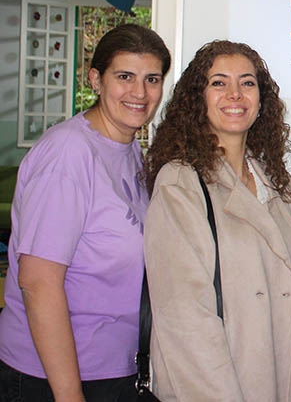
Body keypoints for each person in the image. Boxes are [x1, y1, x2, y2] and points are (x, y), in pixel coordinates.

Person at [0, 24, 170, 401]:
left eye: (152, 79)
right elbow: (38, 282)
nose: (140, 92)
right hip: (53, 378)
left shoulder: (130, 150)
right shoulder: (68, 153)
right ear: (96, 80)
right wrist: (70, 395)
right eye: (124, 76)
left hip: (113, 370)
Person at [143, 40, 291, 401]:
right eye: (219, 83)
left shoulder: (284, 191)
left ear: (261, 100)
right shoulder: (180, 184)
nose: (235, 94)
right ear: (198, 99)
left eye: (247, 83)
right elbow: (185, 319)